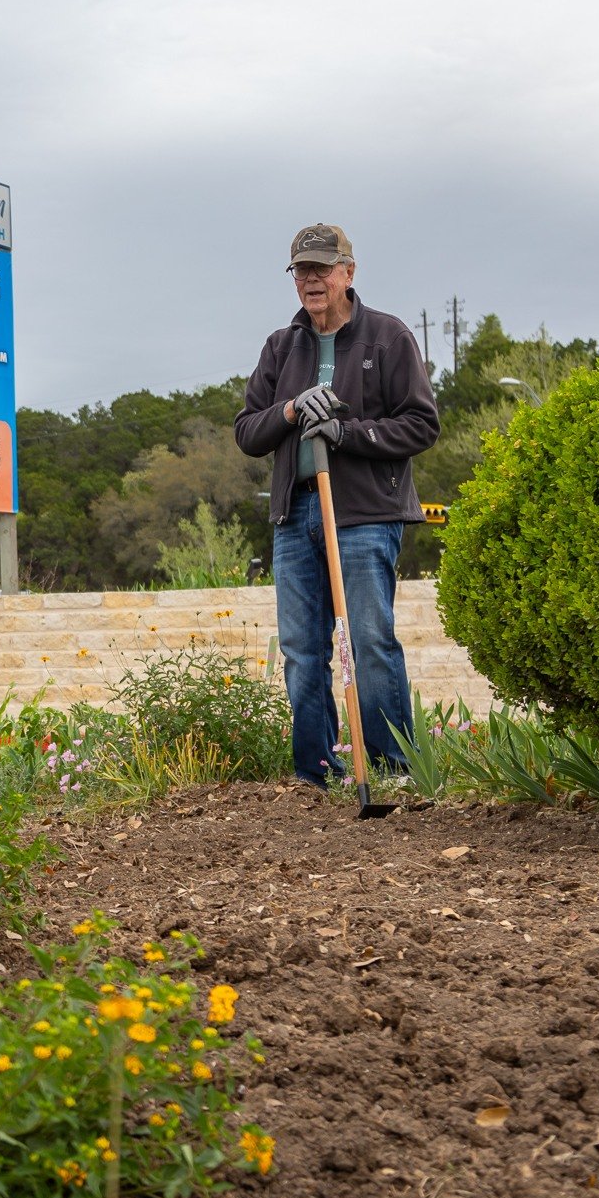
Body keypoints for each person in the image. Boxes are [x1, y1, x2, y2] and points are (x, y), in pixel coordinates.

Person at [234, 224, 439, 787]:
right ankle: (316, 775)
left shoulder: (388, 337)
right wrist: (293, 410)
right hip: (294, 515)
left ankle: (394, 772)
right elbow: (248, 431)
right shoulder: (281, 346)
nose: (312, 279)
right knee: (302, 651)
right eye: (302, 270)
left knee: (370, 642)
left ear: (349, 272)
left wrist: (346, 433)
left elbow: (422, 424)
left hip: (365, 516)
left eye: (323, 268)